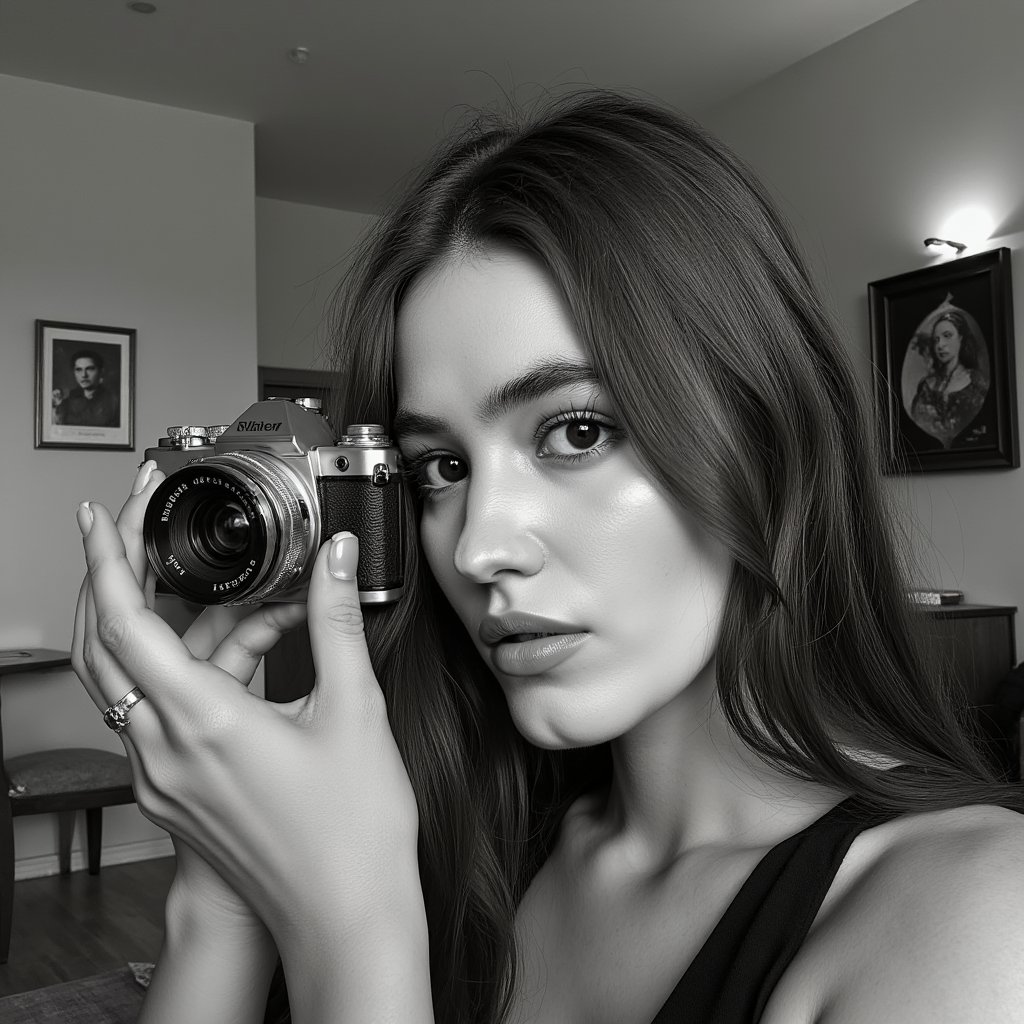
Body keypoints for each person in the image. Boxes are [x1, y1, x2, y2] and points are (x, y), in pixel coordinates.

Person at [71, 90, 1024, 1024]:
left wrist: (349, 926)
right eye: (440, 466)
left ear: (763, 439)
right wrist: (225, 893)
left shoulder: (974, 915)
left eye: (574, 432)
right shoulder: (466, 835)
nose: (480, 546)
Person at [908, 309, 988, 448]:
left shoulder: (976, 382)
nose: (940, 345)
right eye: (936, 340)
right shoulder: (926, 385)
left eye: (947, 336)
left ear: (961, 338)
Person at [53, 348, 120, 427]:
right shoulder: (66, 402)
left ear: (101, 372)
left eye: (90, 369)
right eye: (78, 369)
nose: (84, 375)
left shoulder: (114, 402)